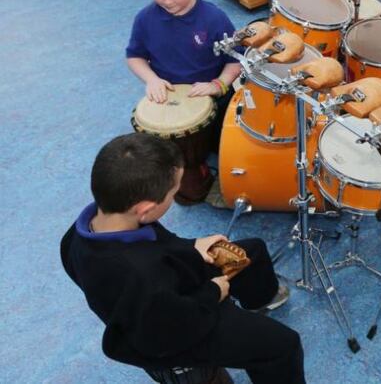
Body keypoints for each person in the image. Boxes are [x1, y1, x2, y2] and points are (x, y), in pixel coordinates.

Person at [60, 133, 305, 383]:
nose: (174, 194)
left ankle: (260, 302)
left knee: (252, 252)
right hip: (174, 331)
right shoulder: (140, 274)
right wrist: (212, 292)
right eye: (173, 192)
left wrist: (192, 246)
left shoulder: (82, 232)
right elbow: (170, 327)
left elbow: (157, 244)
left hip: (170, 292)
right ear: (146, 209)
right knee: (283, 347)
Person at [125, 0, 241, 145]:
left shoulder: (214, 18)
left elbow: (235, 59)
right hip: (169, 95)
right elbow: (135, 56)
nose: (167, 1)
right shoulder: (145, 19)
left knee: (223, 146)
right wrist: (152, 80)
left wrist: (218, 84)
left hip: (212, 94)